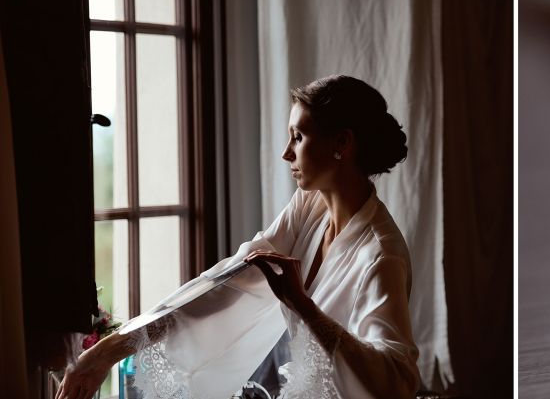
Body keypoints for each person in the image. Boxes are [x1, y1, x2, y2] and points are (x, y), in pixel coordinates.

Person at [56, 75, 421, 399]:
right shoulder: (310, 208)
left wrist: (303, 306)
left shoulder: (380, 254)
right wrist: (110, 350)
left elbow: (396, 383)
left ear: (342, 142)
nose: (286, 153)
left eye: (298, 137)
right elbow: (229, 281)